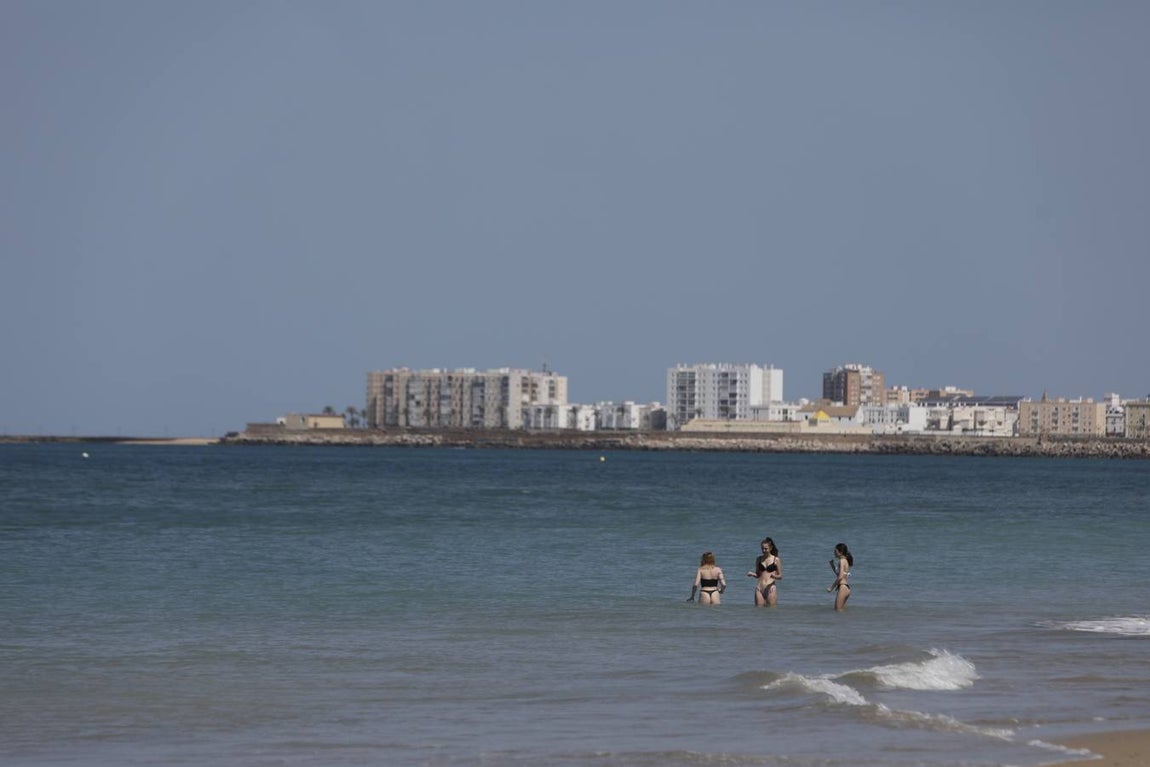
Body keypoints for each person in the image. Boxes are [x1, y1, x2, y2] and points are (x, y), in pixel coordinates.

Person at [746, 537, 782, 606]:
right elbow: (758, 575)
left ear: (770, 548)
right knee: (758, 612)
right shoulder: (758, 559)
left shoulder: (776, 560)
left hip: (770, 588)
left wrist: (774, 576)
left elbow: (780, 576)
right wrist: (752, 574)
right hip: (759, 588)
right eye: (762, 548)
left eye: (766, 549)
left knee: (771, 611)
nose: (764, 550)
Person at [827, 543, 853, 610]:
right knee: (841, 611)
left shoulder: (842, 561)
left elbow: (840, 577)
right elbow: (840, 575)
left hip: (843, 588)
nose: (834, 552)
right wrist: (832, 566)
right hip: (846, 588)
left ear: (840, 552)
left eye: (835, 551)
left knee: (838, 610)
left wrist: (831, 588)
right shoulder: (845, 561)